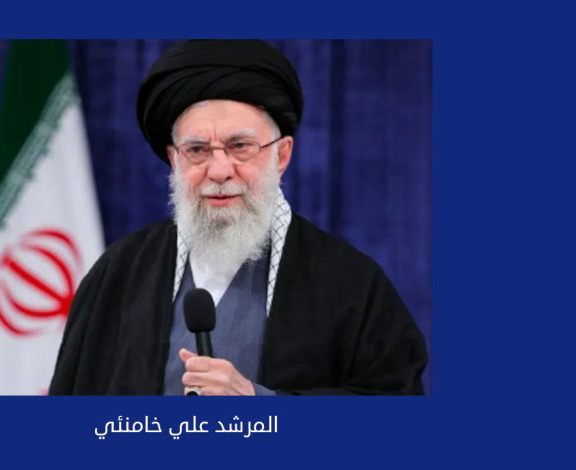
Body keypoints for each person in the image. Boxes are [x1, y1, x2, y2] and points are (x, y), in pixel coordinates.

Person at [49, 40, 428, 395]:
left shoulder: (351, 283)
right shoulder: (119, 271)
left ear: (281, 155)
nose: (219, 171)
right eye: (197, 149)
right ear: (175, 159)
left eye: (240, 146)